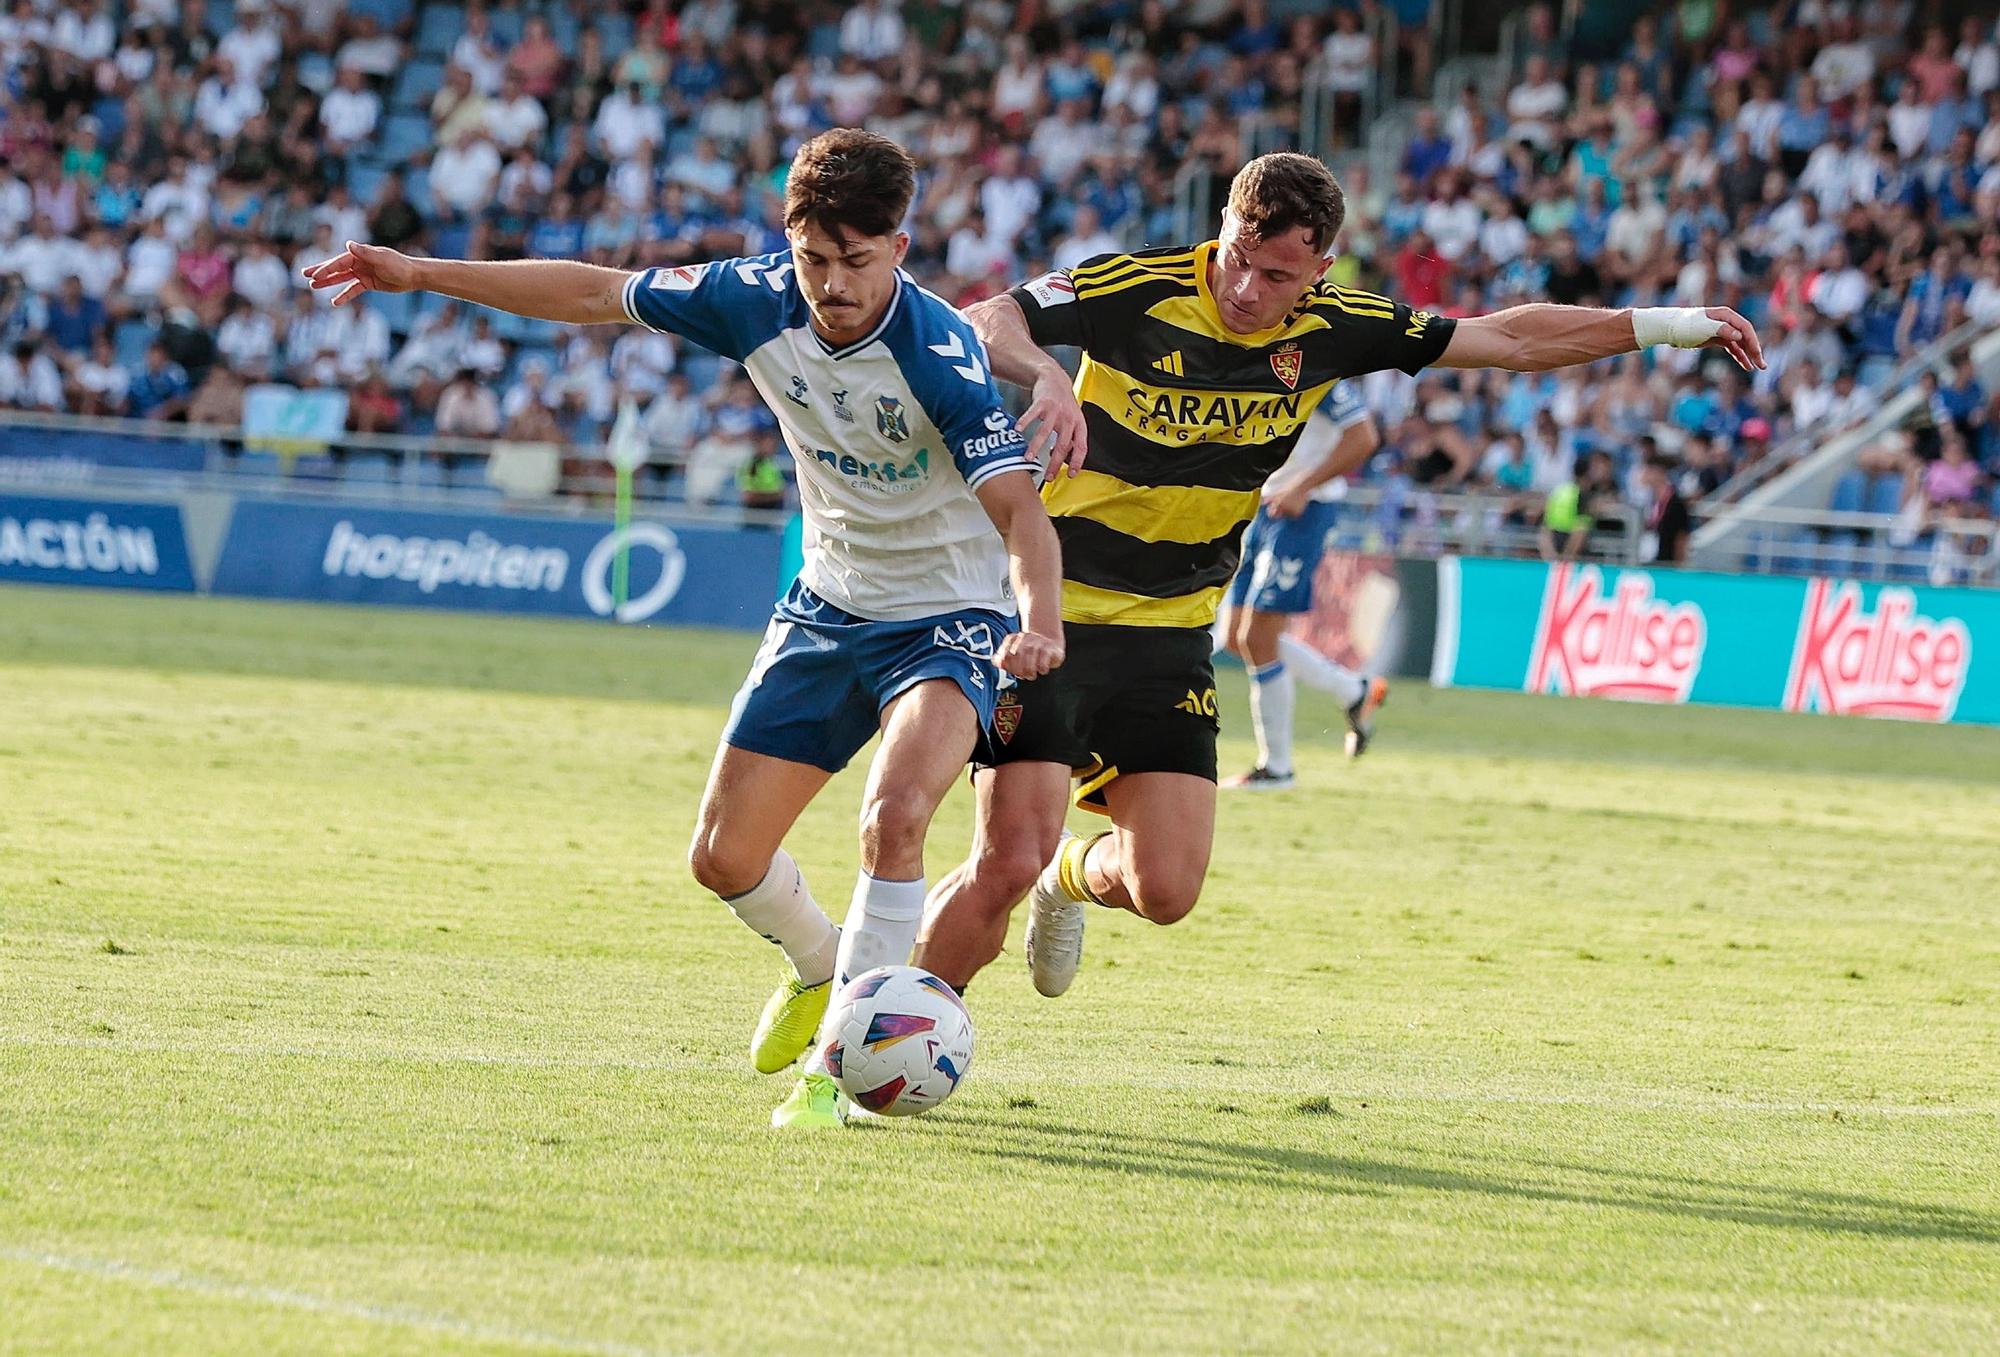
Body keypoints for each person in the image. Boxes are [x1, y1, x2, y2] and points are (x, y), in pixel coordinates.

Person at [302, 130, 1064, 1131]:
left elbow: (1021, 515)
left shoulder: (939, 355)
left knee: (897, 815)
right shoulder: (752, 298)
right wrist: (423, 274)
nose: (831, 284)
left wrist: (1038, 621)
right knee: (720, 858)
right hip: (828, 606)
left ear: (901, 246)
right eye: (813, 259)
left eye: (857, 262)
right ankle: (823, 964)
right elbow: (592, 292)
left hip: (947, 617)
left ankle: (838, 1074)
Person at [914, 151, 1762, 1001]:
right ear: (1223, 229)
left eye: (1275, 274)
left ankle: (1071, 879)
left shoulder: (1340, 324)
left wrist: (1670, 323)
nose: (1245, 288)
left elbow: (1506, 339)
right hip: (1054, 613)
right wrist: (1049, 372)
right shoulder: (1138, 286)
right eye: (1237, 257)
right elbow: (987, 316)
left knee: (1165, 890)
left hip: (1173, 632)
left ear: (1319, 271)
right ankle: (867, 1046)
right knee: (1003, 861)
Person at [1215, 380, 1389, 791]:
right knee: (1237, 637)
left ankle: (1277, 768)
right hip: (1265, 504)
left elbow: (1363, 437)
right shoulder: (1261, 359)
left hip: (1303, 510)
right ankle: (1352, 691)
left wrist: (1302, 487)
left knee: (1258, 637)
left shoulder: (1319, 368)